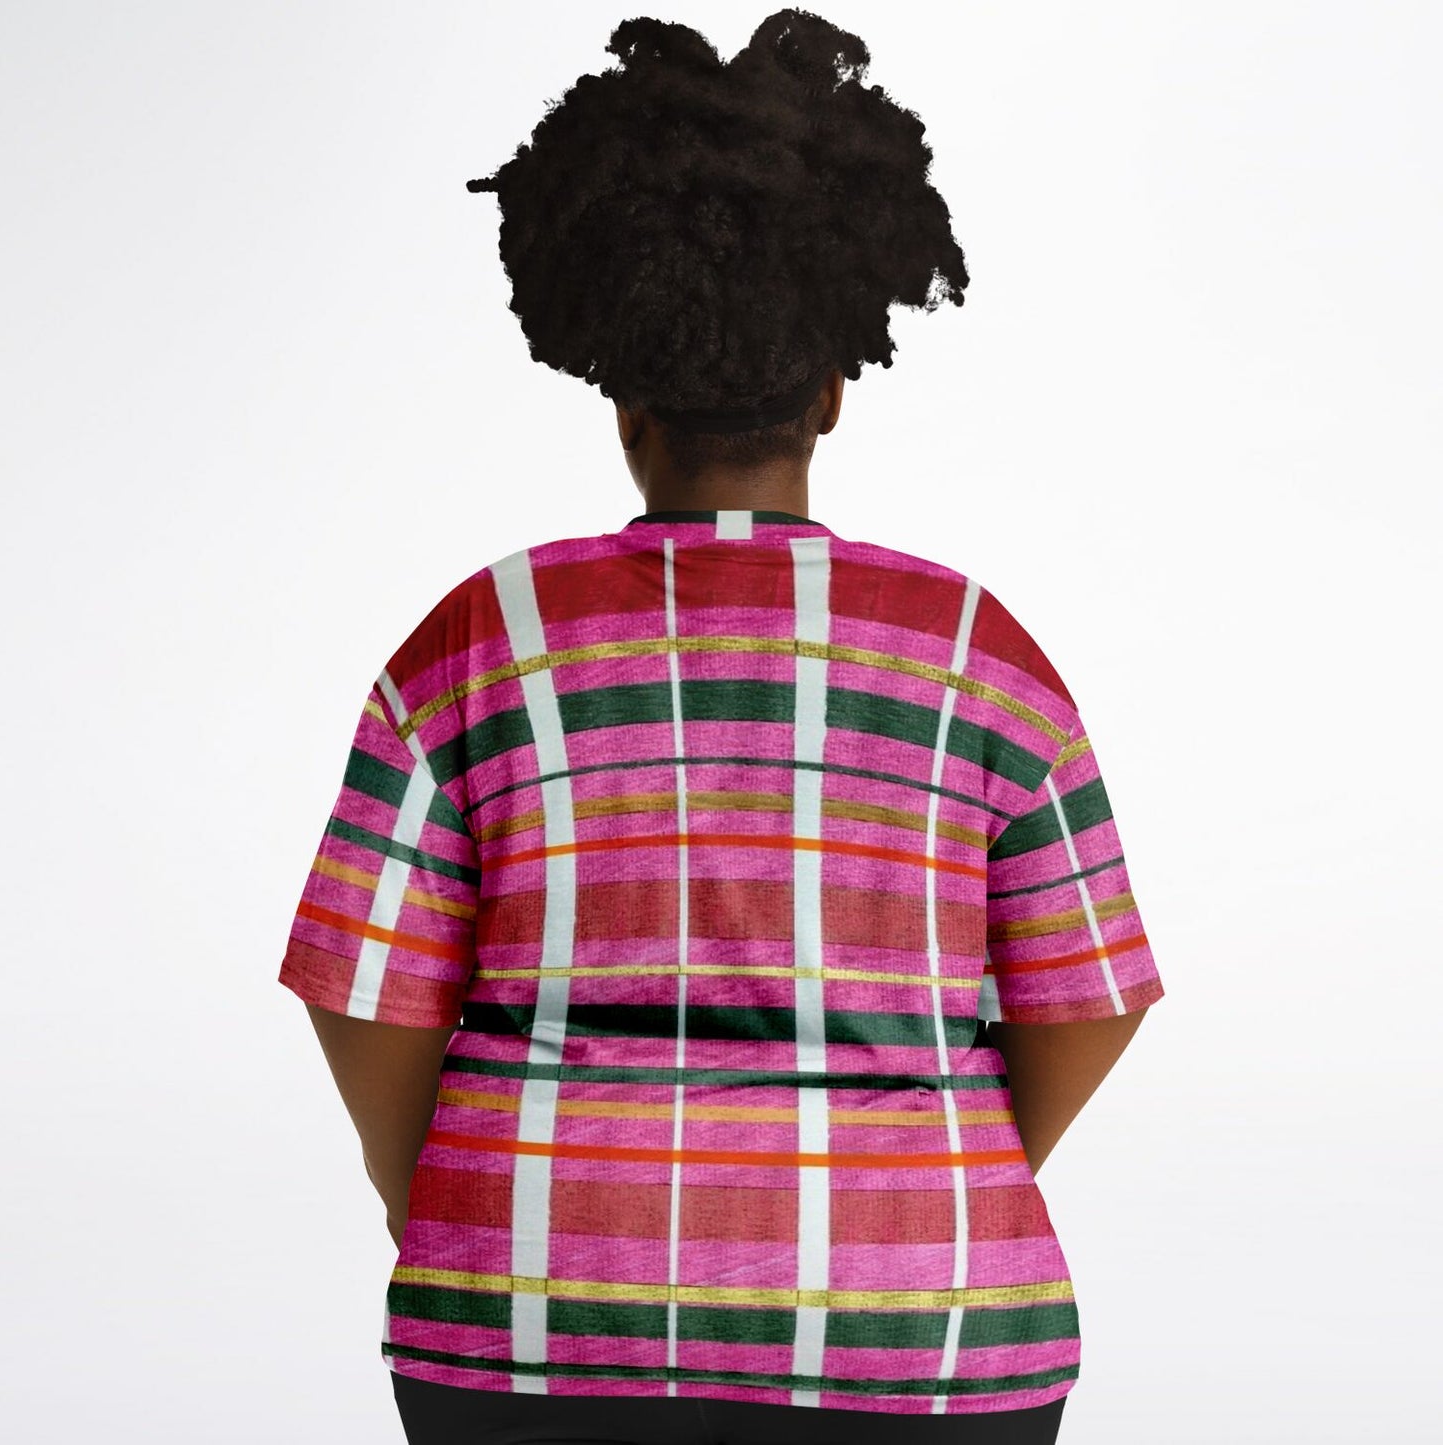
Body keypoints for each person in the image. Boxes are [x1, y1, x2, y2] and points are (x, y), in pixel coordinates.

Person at [276, 11, 1165, 1444]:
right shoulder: (977, 654)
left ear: (624, 402)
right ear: (830, 395)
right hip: (926, 1340)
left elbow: (359, 983)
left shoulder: (476, 638)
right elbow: (1092, 995)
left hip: (522, 1319)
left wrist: (441, 1193)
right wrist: (932, 1167)